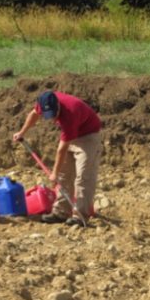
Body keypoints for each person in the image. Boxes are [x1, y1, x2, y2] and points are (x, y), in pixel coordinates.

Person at [13, 90, 102, 225]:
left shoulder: (70, 113)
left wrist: (54, 173)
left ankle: (80, 215)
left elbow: (61, 149)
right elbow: (34, 114)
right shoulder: (44, 102)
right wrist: (22, 132)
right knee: (64, 175)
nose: (53, 118)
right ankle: (61, 212)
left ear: (58, 106)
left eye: (54, 114)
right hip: (73, 134)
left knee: (83, 176)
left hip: (88, 136)